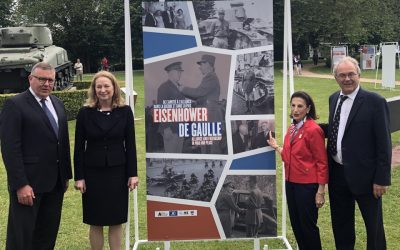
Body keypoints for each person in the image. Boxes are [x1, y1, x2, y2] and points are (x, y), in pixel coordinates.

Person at [0, 62, 72, 250]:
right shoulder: (14, 105)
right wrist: (21, 184)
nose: (46, 84)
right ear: (31, 79)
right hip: (29, 186)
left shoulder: (57, 103)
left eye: (50, 80)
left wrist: (65, 176)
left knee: (47, 236)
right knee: (21, 238)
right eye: (42, 79)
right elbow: (10, 148)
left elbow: (62, 142)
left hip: (55, 184)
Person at [325, 57, 391, 250]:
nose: (347, 79)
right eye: (342, 75)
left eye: (351, 74)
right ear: (336, 77)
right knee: (341, 224)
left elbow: (384, 142)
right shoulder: (333, 99)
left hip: (367, 177)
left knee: (374, 227)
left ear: (359, 75)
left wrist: (381, 178)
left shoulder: (375, 102)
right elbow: (337, 129)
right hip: (337, 174)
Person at [73, 71, 139, 250]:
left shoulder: (125, 112)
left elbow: (131, 145)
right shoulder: (85, 113)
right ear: (94, 90)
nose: (103, 90)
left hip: (117, 172)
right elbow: (78, 148)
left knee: (116, 219)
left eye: (106, 86)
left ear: (114, 88)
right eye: (99, 86)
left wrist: (132, 174)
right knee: (95, 220)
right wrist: (79, 177)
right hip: (92, 173)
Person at [267, 91, 328, 250]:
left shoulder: (313, 130)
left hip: (307, 186)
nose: (295, 109)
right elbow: (289, 155)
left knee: (308, 227)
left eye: (300, 106)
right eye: (293, 105)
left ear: (308, 109)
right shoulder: (292, 127)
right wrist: (277, 147)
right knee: (296, 225)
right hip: (291, 183)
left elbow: (322, 162)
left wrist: (321, 191)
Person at [180, 54, 224, 154]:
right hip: (208, 116)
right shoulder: (209, 78)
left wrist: (183, 89)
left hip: (209, 117)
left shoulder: (210, 77)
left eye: (202, 64)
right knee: (207, 147)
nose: (200, 67)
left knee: (210, 148)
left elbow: (199, 92)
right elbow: (199, 96)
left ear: (208, 64)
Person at [157, 61, 186, 153]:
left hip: (179, 128)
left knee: (178, 155)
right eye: (178, 72)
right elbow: (161, 109)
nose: (180, 74)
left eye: (180, 72)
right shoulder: (164, 87)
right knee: (170, 156)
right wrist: (166, 128)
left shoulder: (180, 87)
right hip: (170, 129)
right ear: (171, 72)